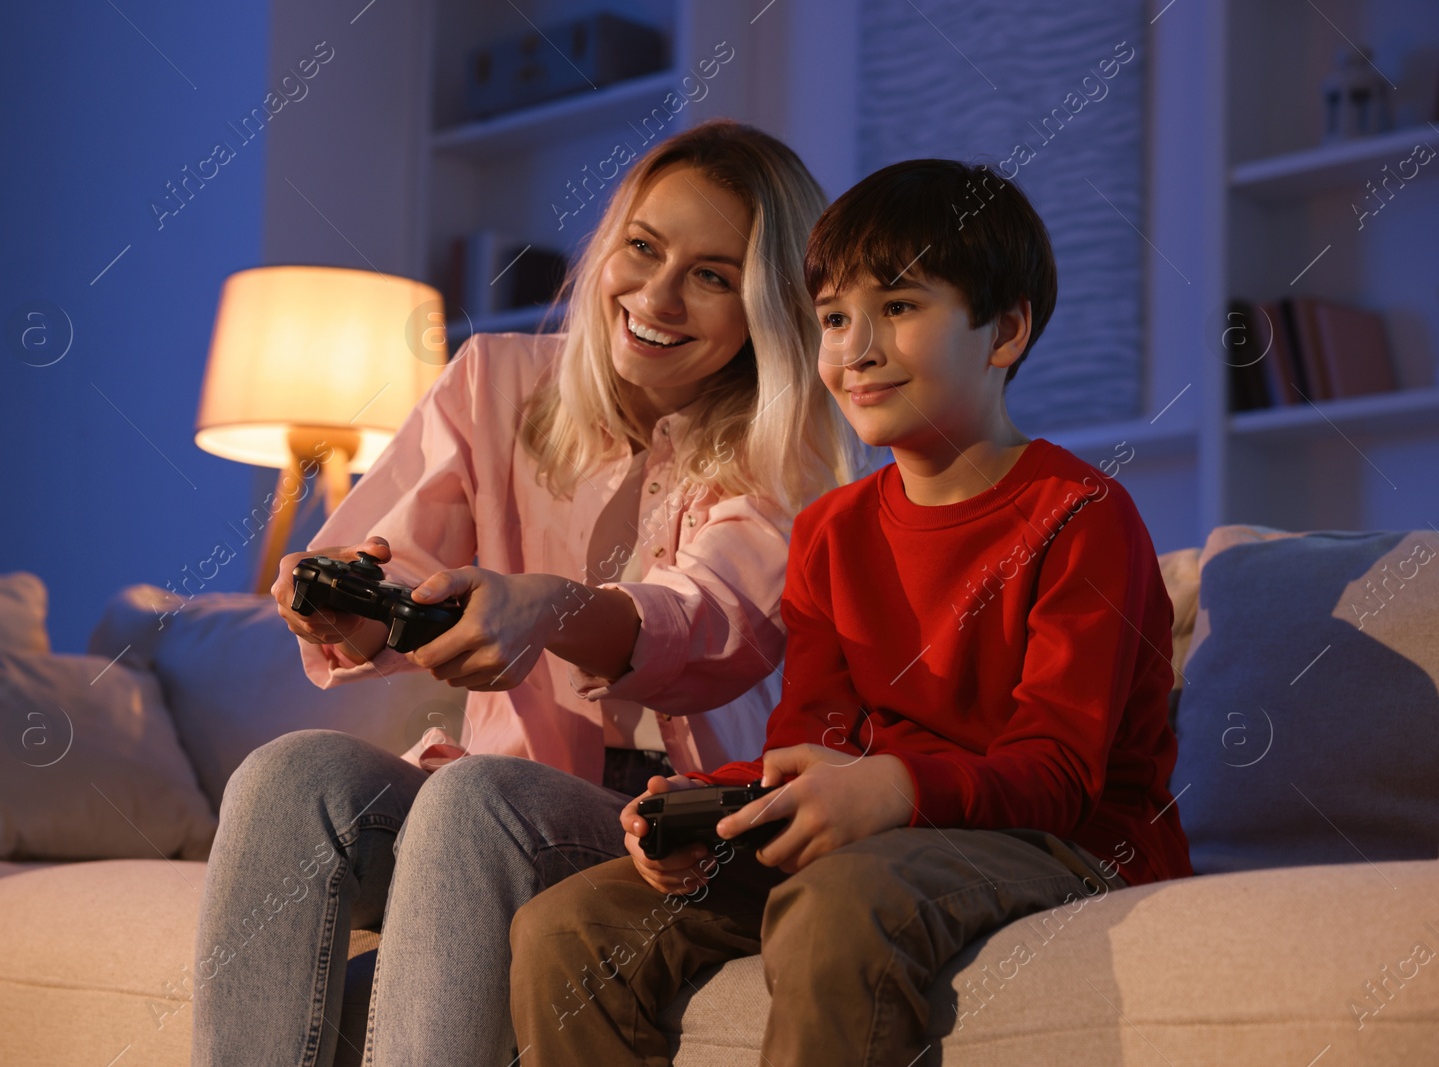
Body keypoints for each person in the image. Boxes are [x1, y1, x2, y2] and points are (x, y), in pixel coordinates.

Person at [189, 120, 870, 1067]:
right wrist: (344, 604)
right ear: (608, 247)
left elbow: (710, 628)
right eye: (643, 248)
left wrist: (547, 606)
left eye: (714, 276)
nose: (658, 296)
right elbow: (387, 558)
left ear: (765, 307)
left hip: (669, 825)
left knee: (481, 798)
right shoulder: (493, 381)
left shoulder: (789, 450)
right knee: (290, 775)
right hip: (476, 812)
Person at [508, 159, 1196, 1065]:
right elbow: (814, 739)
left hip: (1064, 845)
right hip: (893, 836)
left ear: (1007, 329)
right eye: (833, 318)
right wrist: (712, 808)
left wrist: (898, 787)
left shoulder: (1081, 515)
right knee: (569, 923)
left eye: (899, 308)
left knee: (838, 900)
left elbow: (1059, 773)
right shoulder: (833, 528)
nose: (854, 349)